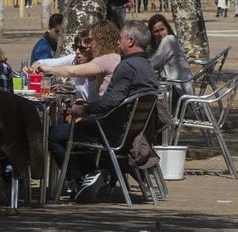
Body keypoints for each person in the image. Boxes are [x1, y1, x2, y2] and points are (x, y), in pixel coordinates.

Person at [48, 21, 159, 202]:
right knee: (77, 129)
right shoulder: (145, 65)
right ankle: (90, 175)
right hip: (132, 133)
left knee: (54, 134)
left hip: (111, 132)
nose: (117, 42)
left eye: (120, 38)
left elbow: (112, 101)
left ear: (130, 41)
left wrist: (84, 109)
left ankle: (85, 175)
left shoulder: (127, 66)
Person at [33, 20, 121, 101]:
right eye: (76, 47)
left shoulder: (106, 59)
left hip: (104, 113)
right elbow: (52, 62)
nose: (77, 52)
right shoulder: (109, 58)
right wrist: (37, 65)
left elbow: (72, 71)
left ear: (101, 40)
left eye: (91, 40)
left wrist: (47, 69)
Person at [147, 13, 194, 105]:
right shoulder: (172, 40)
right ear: (152, 33)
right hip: (180, 88)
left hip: (177, 90)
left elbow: (152, 64)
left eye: (162, 29)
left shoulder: (169, 40)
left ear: (167, 28)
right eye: (156, 31)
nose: (161, 34)